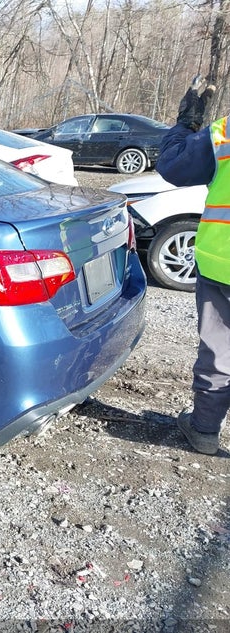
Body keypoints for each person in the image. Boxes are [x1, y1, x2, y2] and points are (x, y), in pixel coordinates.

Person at [156, 75, 230, 455]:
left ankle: (203, 430)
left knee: (220, 350)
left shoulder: (226, 132)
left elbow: (172, 165)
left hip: (223, 264)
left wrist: (187, 121)